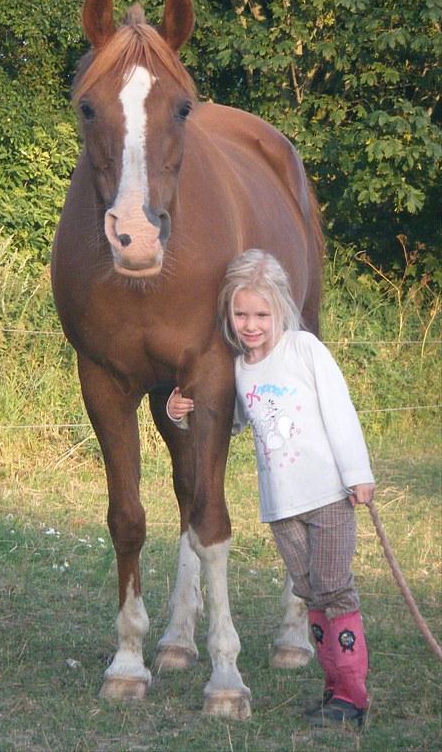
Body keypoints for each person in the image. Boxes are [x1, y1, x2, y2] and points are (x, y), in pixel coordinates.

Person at [167, 249, 375, 728]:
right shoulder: (241, 370)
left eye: (261, 314)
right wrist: (182, 416)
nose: (251, 324)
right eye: (240, 314)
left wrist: (357, 473)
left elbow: (340, 412)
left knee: (334, 588)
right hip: (282, 506)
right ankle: (334, 687)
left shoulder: (305, 351)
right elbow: (231, 425)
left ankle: (352, 694)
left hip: (328, 495)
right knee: (307, 589)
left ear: (281, 307)